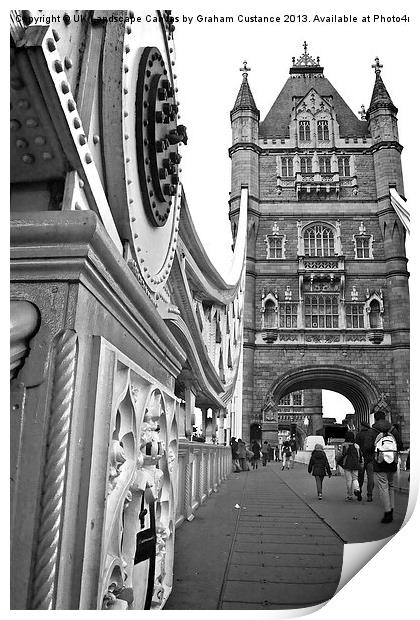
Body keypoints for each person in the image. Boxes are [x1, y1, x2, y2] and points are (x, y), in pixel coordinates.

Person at [372, 410, 403, 523]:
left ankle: (387, 512)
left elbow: (369, 446)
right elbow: (400, 444)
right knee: (391, 485)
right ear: (385, 418)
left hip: (380, 463)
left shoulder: (373, 430)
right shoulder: (393, 429)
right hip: (392, 461)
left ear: (375, 418)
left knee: (383, 486)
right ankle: (392, 508)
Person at [355, 421, 378, 501]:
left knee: (360, 477)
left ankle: (359, 491)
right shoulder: (373, 434)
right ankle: (369, 495)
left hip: (361, 459)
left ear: (362, 426)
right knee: (370, 477)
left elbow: (356, 447)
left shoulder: (358, 435)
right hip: (370, 459)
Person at [339, 431, 363, 501]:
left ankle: (349, 495)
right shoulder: (356, 446)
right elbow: (359, 456)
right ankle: (357, 489)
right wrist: (359, 463)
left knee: (349, 480)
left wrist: (338, 460)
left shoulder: (344, 445)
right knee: (355, 478)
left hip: (347, 464)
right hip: (355, 464)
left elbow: (341, 454)